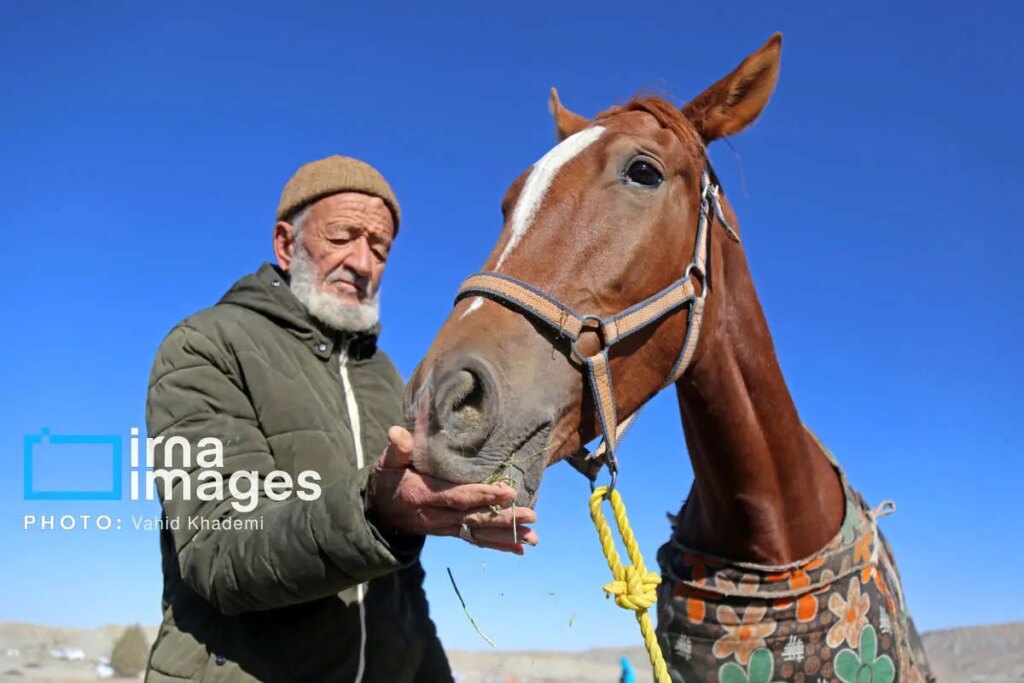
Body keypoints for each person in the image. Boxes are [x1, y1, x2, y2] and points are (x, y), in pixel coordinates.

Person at [143, 155, 537, 682]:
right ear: (285, 243)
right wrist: (375, 510)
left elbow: (401, 587)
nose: (363, 262)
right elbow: (219, 549)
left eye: (379, 248)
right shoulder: (206, 347)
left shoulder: (386, 378)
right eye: (342, 235)